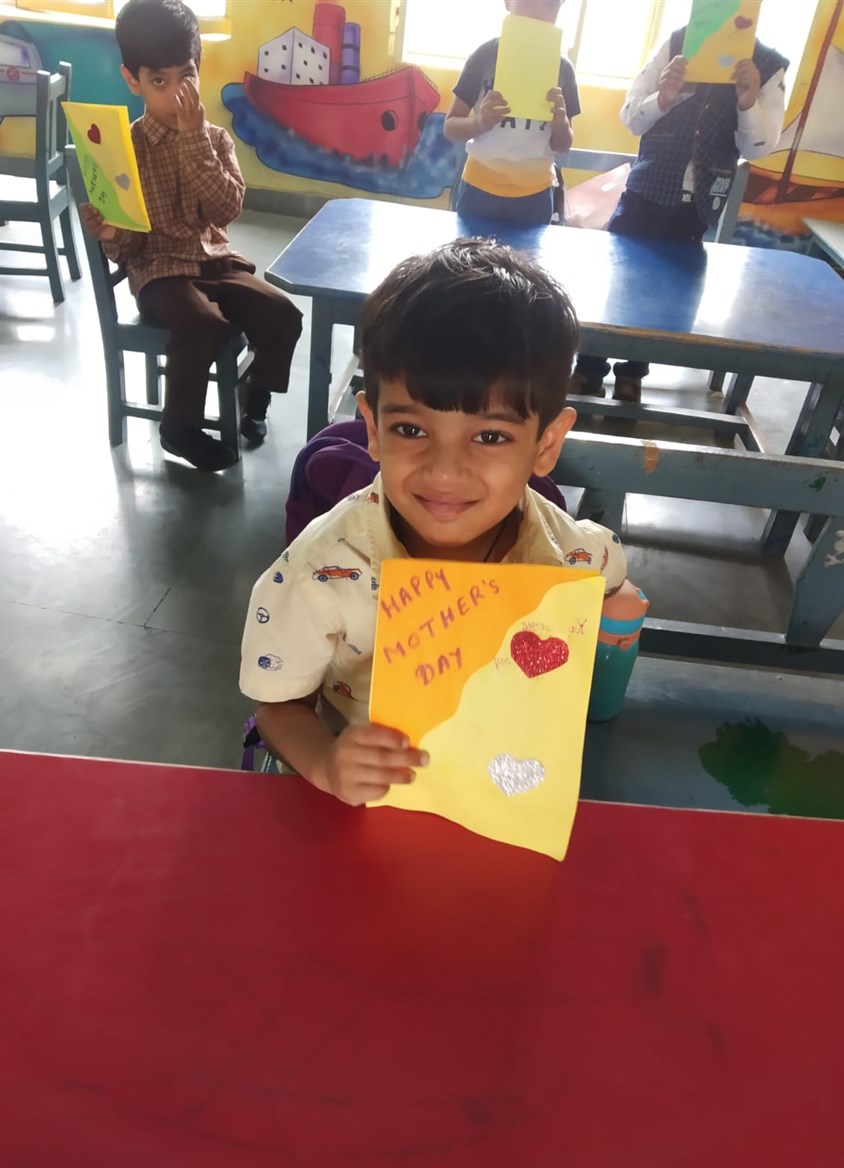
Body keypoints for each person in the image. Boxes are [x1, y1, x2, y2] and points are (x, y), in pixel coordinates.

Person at [240, 239, 629, 806]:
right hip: (365, 801)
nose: (445, 471)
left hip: (497, 795)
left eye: (490, 436)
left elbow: (613, 576)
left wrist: (617, 602)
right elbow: (278, 705)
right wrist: (325, 762)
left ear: (547, 444)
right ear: (373, 428)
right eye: (411, 430)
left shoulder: (569, 553)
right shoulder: (321, 571)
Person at [79, 0, 303, 472]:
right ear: (133, 80)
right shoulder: (124, 150)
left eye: (187, 76)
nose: (177, 93)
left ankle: (256, 395)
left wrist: (193, 139)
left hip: (214, 261)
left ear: (199, 69)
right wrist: (111, 231)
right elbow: (127, 250)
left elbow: (226, 209)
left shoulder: (215, 139)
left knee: (282, 313)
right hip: (159, 272)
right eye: (159, 81)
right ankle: (178, 428)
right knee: (204, 325)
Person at [570, 25, 788, 403]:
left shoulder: (768, 65)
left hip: (698, 204)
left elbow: (759, 148)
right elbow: (631, 117)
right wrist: (664, 97)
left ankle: (633, 373)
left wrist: (748, 102)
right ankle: (588, 369)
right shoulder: (676, 44)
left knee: (666, 295)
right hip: (644, 193)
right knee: (617, 282)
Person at [443, 0, 578, 226]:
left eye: (551, 3)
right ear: (508, 2)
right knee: (471, 249)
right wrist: (479, 122)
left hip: (535, 193)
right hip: (480, 186)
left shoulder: (563, 69)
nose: (538, 11)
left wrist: (561, 125)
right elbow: (450, 127)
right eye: (528, 1)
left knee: (526, 251)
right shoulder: (484, 56)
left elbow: (563, 145)